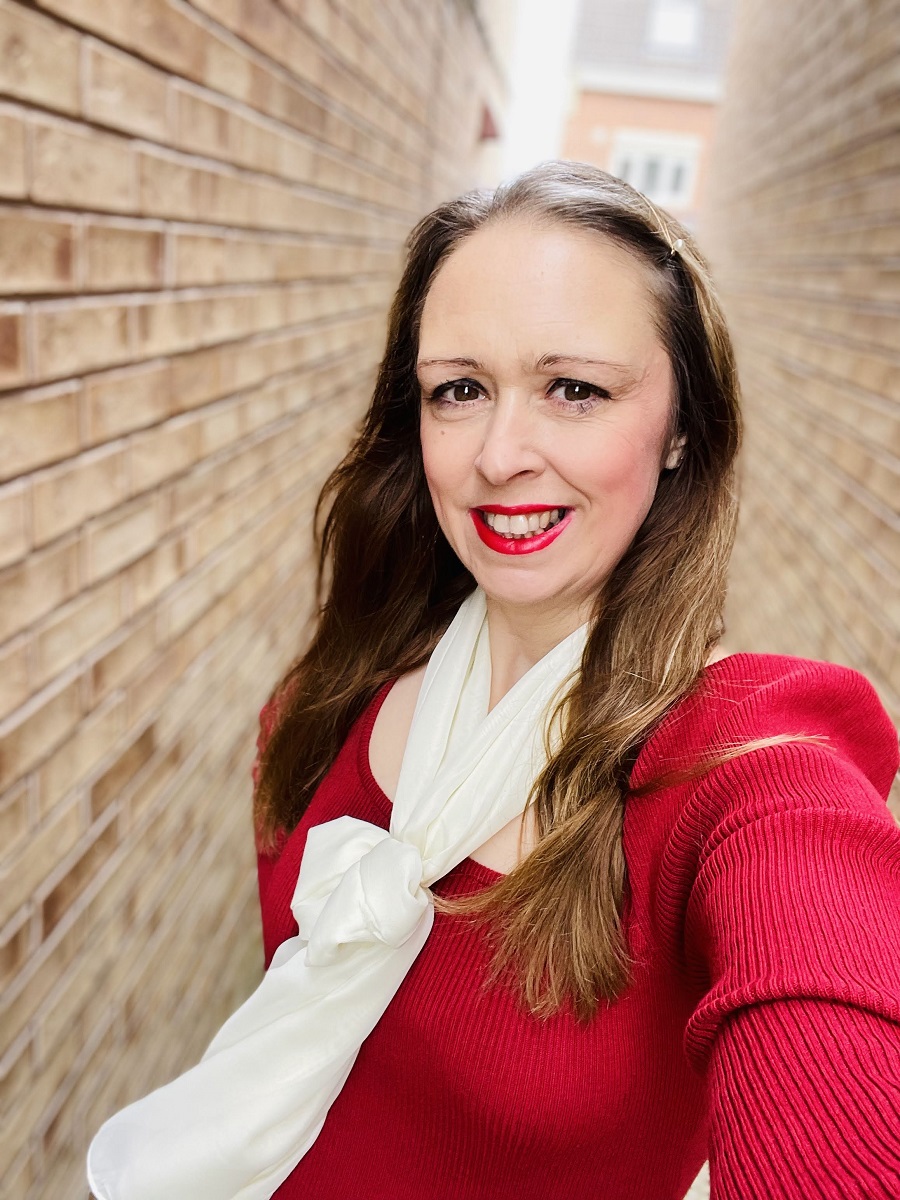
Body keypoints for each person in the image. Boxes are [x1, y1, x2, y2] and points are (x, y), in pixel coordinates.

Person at [88, 161, 900, 1200]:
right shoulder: (321, 706)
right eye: (459, 390)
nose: (499, 454)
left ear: (683, 431)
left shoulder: (749, 764)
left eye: (575, 390)